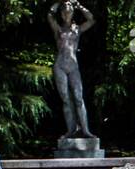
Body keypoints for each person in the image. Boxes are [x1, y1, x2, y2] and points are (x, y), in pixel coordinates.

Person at [49, 1, 95, 138]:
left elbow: (91, 20)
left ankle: (85, 130)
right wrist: (58, 2)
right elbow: (50, 15)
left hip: (73, 66)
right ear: (62, 14)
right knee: (66, 99)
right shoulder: (58, 29)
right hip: (60, 65)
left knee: (79, 98)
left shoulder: (77, 29)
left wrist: (80, 6)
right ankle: (71, 130)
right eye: (64, 10)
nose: (67, 13)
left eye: (69, 10)